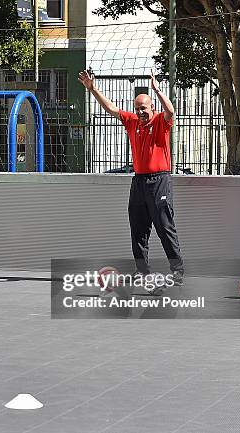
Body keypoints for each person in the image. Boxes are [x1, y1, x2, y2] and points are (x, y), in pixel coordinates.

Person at [78, 69, 184, 287]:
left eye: (143, 108)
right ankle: (142, 271)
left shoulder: (161, 123)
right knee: (138, 229)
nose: (140, 112)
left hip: (159, 181)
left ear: (152, 107)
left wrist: (157, 90)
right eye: (137, 109)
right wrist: (93, 89)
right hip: (139, 182)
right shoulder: (133, 121)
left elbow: (170, 110)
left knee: (165, 227)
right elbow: (111, 108)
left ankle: (177, 270)